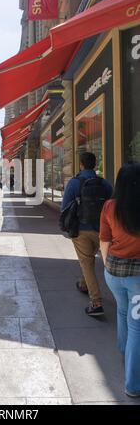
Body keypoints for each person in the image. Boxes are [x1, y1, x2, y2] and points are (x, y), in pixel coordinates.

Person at [100, 163, 140, 398]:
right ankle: (133, 384)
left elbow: (104, 241)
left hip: (113, 272)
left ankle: (124, 352)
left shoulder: (109, 206)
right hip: (137, 278)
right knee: (137, 324)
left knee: (122, 311)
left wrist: (107, 265)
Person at [61, 152, 113, 316]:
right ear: (95, 165)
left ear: (81, 164)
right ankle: (84, 284)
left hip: (81, 230)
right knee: (99, 261)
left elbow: (64, 207)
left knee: (87, 263)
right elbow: (112, 205)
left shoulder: (74, 183)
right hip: (103, 231)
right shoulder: (104, 184)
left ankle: (96, 302)